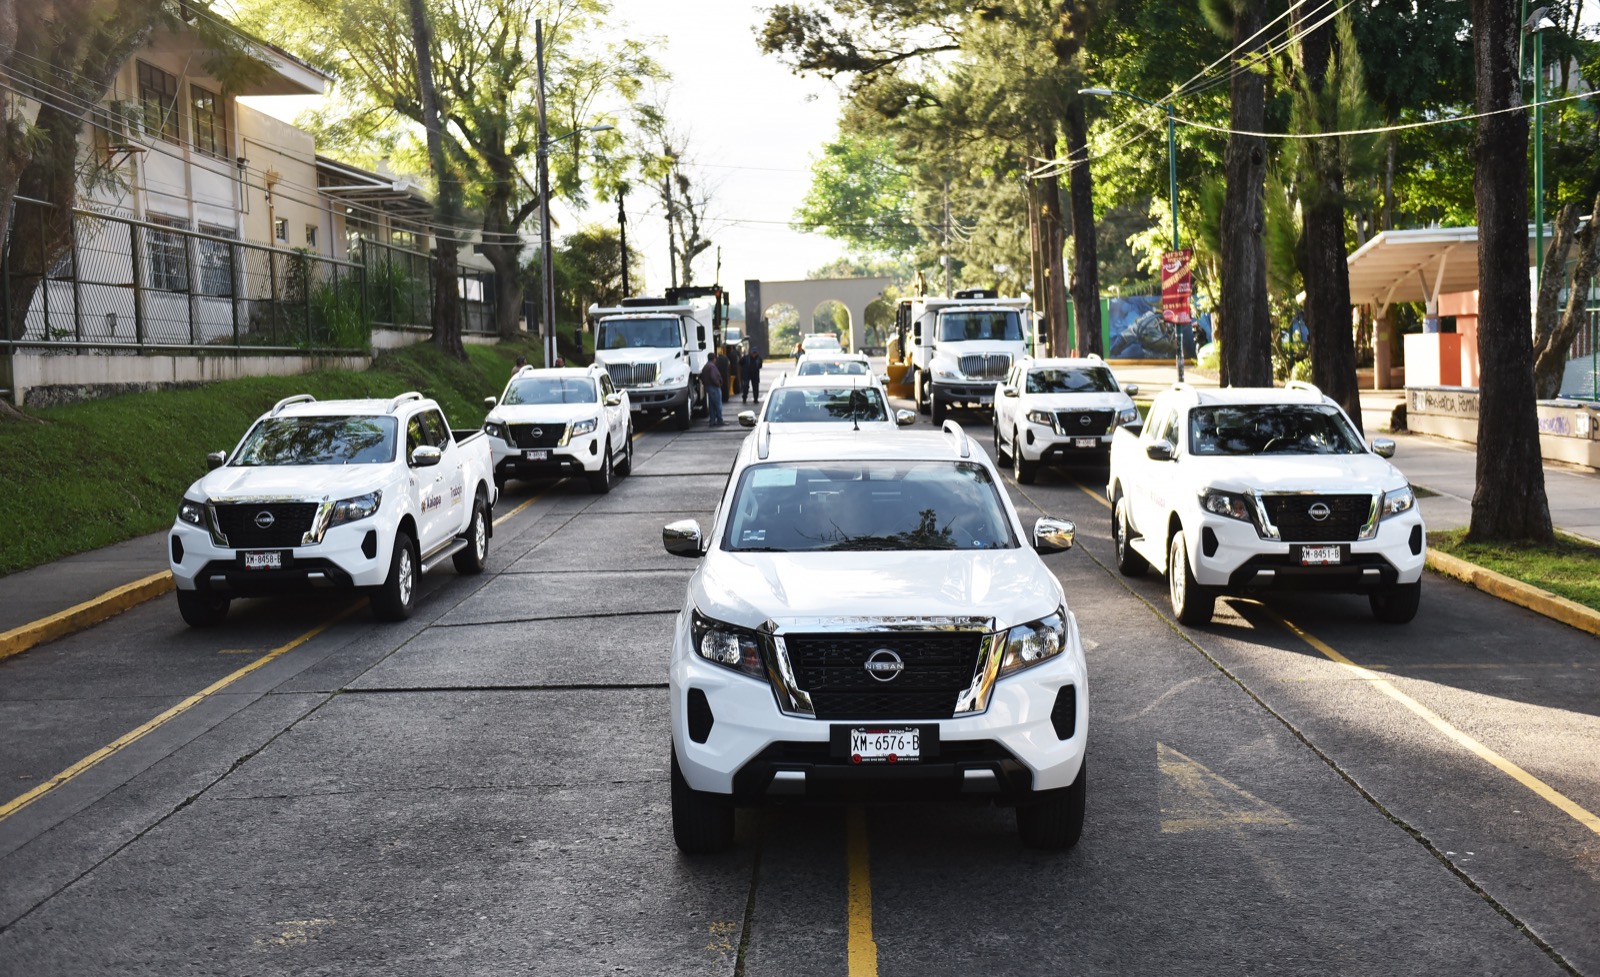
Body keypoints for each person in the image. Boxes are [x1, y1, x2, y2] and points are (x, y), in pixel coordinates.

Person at [701, 357, 724, 426]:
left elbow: (701, 376)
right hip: (714, 387)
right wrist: (718, 383)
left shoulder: (706, 366)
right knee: (718, 404)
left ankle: (712, 421)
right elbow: (713, 376)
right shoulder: (712, 366)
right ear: (714, 359)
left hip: (708, 387)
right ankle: (719, 420)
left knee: (712, 405)